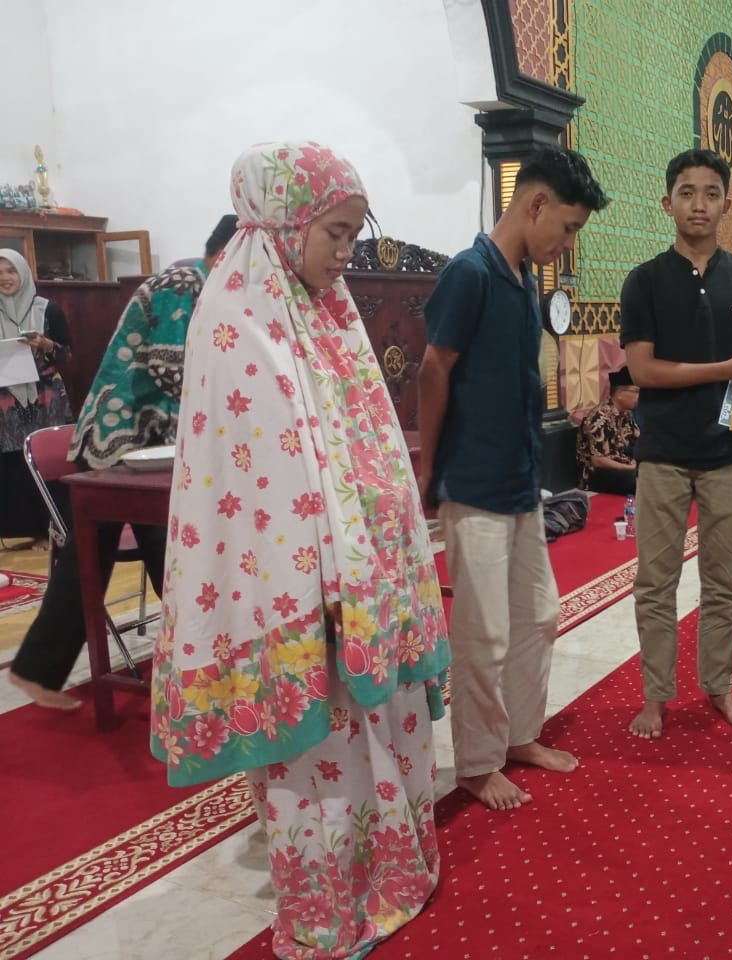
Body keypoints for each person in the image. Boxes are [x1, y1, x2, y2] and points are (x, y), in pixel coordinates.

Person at [152, 141, 451, 958]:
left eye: (354, 234)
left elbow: (365, 432)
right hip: (294, 584)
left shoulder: (329, 309)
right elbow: (262, 477)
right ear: (285, 224)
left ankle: (393, 866)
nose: (346, 253)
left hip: (359, 574)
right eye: (335, 234)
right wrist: (332, 568)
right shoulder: (236, 319)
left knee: (377, 729)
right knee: (318, 754)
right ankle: (328, 905)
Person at [418, 146, 609, 811]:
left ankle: (518, 735)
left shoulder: (523, 277)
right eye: (569, 227)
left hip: (520, 478)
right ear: (536, 204)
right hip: (473, 480)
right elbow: (433, 371)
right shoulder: (469, 273)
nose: (568, 243)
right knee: (484, 632)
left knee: (539, 614)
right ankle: (477, 763)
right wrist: (431, 470)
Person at [7, 215, 237, 711]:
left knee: (108, 555)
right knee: (159, 551)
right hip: (127, 442)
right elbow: (172, 368)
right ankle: (198, 674)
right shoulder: (185, 282)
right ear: (230, 252)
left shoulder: (209, 284)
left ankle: (40, 670)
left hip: (151, 444)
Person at [620, 148, 732, 741]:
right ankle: (655, 696)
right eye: (687, 193)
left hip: (728, 456)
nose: (699, 205)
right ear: (668, 203)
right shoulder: (645, 280)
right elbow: (644, 371)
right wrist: (725, 368)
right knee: (655, 585)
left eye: (711, 193)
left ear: (727, 204)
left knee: (721, 584)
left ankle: (719, 686)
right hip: (662, 454)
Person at [0, 249, 72, 547]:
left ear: (23, 273)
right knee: (13, 463)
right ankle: (19, 530)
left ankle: (52, 529)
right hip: (6, 400)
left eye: (10, 271)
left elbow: (67, 353)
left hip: (45, 397)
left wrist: (44, 344)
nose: (5, 278)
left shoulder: (47, 309)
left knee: (48, 460)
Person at [576, 365, 640, 494]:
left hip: (622, 465)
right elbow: (598, 461)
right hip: (598, 475)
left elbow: (638, 436)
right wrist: (629, 468)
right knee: (636, 480)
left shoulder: (626, 413)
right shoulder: (598, 419)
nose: (638, 396)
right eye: (635, 391)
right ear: (620, 394)